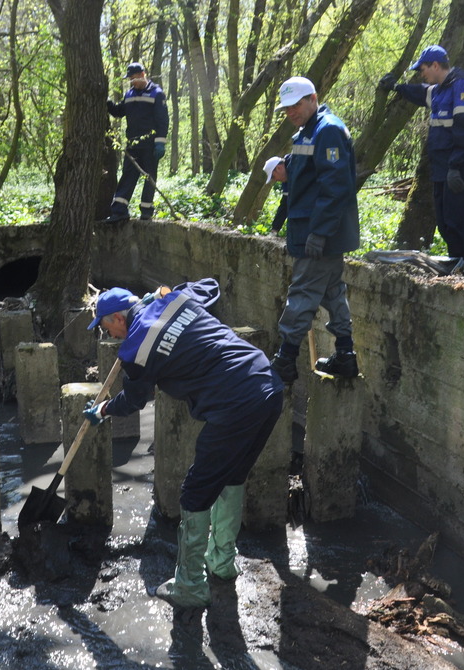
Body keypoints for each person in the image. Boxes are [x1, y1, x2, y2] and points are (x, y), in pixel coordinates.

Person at [83, 280, 284, 609]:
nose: (110, 336)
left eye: (107, 328)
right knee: (231, 476)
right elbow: (210, 286)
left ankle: (190, 586)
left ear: (119, 318)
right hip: (267, 384)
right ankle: (221, 562)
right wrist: (165, 291)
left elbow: (135, 400)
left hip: (233, 404)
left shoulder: (136, 349)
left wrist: (103, 409)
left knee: (194, 491)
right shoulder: (176, 299)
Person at [378, 45, 464, 283]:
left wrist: (456, 167)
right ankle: (461, 273)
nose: (421, 73)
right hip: (441, 169)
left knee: (458, 226)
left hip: (458, 168)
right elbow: (419, 92)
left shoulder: (462, 86)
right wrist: (396, 87)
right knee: (447, 226)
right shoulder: (438, 90)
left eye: (423, 69)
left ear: (435, 66)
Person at [269, 77, 360, 384]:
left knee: (304, 291)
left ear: (313, 98)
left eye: (296, 105)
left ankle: (285, 359)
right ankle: (345, 355)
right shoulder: (305, 133)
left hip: (319, 234)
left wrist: (319, 232)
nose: (291, 112)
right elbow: (300, 182)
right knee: (333, 293)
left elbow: (335, 187)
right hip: (310, 230)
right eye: (286, 108)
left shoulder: (328, 130)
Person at [105, 62, 169, 222]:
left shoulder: (157, 93)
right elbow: (119, 112)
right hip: (133, 144)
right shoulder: (129, 94)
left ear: (142, 75)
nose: (132, 82)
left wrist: (160, 143)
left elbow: (163, 120)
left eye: (133, 78)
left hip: (150, 145)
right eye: (130, 80)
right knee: (128, 176)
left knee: (149, 177)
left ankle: (146, 211)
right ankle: (119, 212)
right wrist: (107, 103)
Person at [263, 155, 289, 233]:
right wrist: (275, 229)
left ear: (278, 168)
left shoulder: (297, 170)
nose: (276, 180)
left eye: (273, 176)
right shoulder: (286, 181)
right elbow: (284, 206)